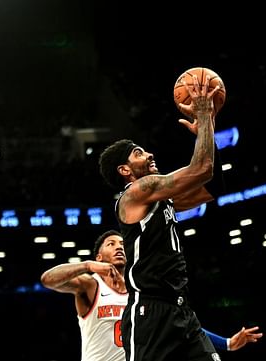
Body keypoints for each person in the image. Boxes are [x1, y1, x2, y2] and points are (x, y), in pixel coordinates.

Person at [98, 73, 232, 361]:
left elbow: (212, 186)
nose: (148, 155)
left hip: (181, 309)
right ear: (125, 170)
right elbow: (201, 169)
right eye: (138, 153)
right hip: (150, 313)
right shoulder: (136, 192)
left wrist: (204, 132)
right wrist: (205, 117)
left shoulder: (162, 199)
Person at [40, 230, 263, 361]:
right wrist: (88, 265)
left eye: (122, 244)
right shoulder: (90, 285)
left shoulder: (143, 290)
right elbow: (48, 279)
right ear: (100, 255)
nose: (119, 247)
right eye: (111, 244)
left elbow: (178, 324)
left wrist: (226, 343)